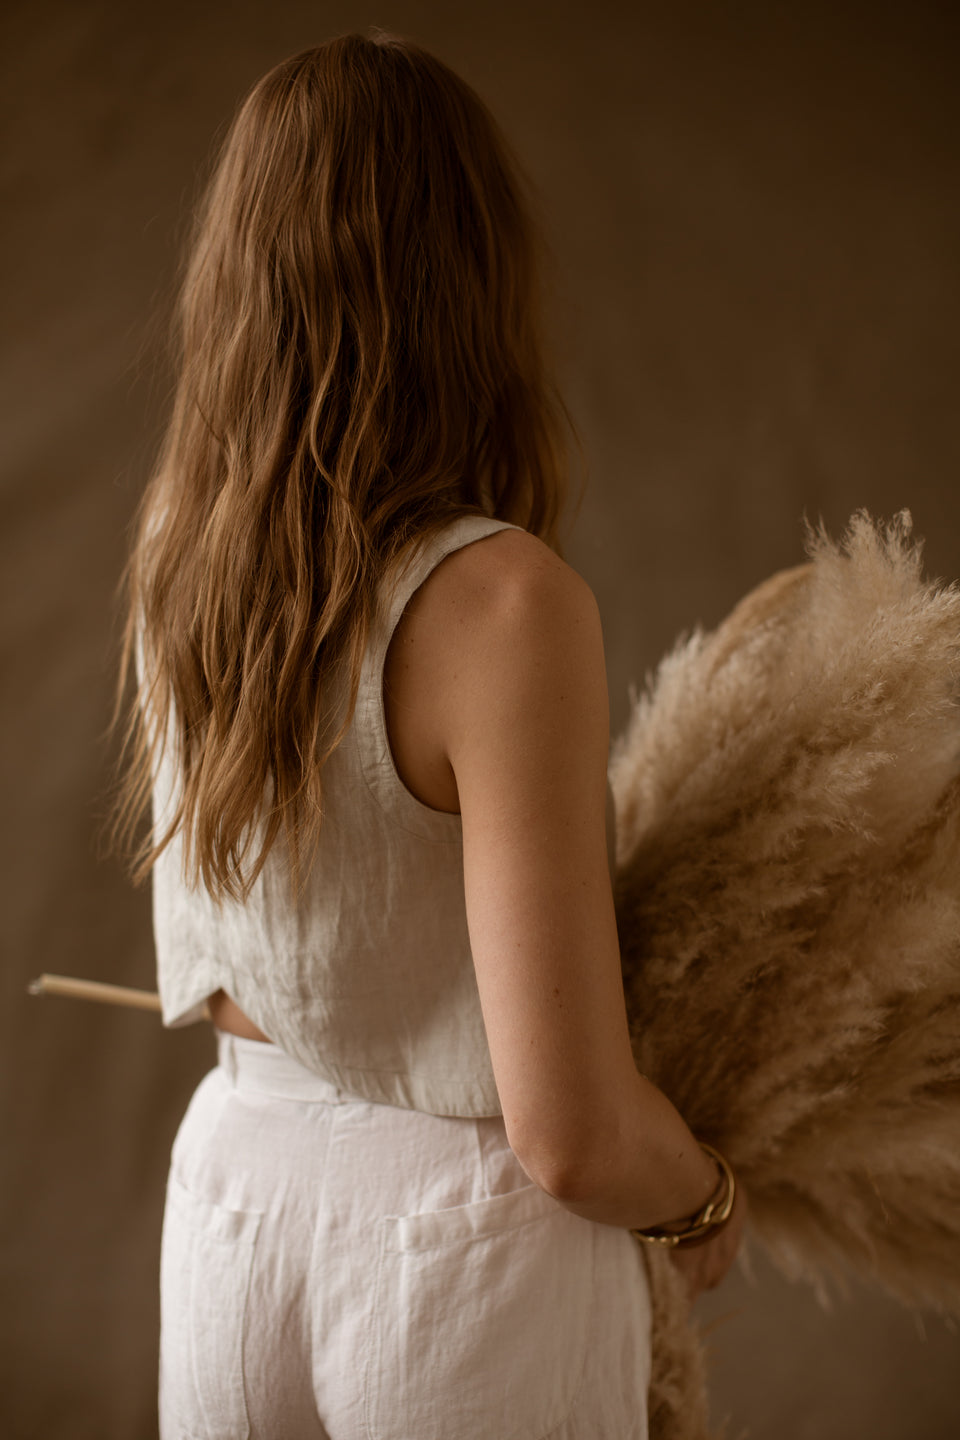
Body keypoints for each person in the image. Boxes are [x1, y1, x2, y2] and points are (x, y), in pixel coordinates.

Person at [115, 31, 744, 1440]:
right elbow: (570, 1134)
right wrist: (705, 1196)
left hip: (227, 1206)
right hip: (462, 1252)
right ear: (470, 281)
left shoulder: (178, 560)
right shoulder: (507, 605)